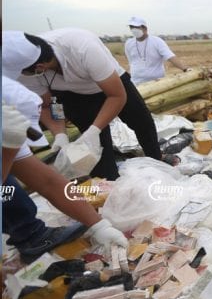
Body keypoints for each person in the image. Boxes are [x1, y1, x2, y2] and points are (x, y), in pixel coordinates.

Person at [2, 46, 127, 262]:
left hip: (90, 101)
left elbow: (47, 181)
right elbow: (53, 107)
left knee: (9, 189)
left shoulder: (81, 52)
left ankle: (30, 233)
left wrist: (99, 224)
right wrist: (8, 151)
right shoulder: (32, 79)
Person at [9, 29, 162, 181]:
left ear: (40, 67)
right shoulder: (21, 69)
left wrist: (95, 129)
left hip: (112, 83)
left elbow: (116, 96)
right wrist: (59, 133)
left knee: (142, 122)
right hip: (72, 94)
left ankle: (158, 165)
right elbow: (48, 105)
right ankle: (109, 185)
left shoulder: (82, 47)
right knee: (96, 146)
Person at [124, 17, 189, 85]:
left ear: (145, 28)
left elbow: (170, 56)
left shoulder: (157, 41)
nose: (133, 29)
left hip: (156, 82)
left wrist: (184, 69)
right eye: (131, 27)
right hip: (136, 82)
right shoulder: (128, 43)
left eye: (136, 27)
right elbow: (131, 61)